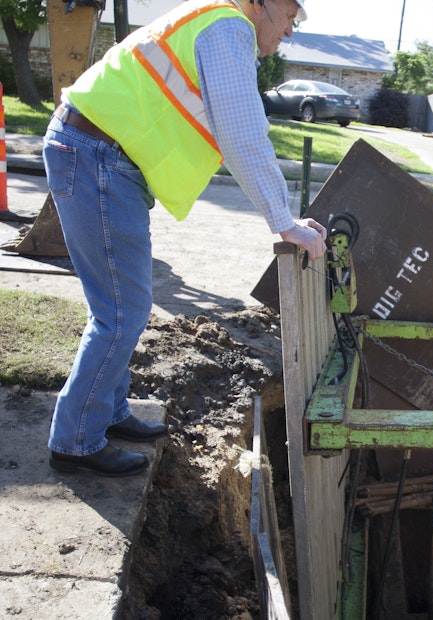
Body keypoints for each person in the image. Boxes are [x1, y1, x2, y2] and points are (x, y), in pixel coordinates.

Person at [44, 0, 327, 477]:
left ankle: (108, 410)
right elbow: (243, 134)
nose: (288, 34)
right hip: (98, 155)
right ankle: (74, 440)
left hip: (101, 154)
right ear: (262, 4)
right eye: (289, 18)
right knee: (121, 311)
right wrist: (284, 221)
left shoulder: (215, 22)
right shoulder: (229, 28)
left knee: (122, 303)